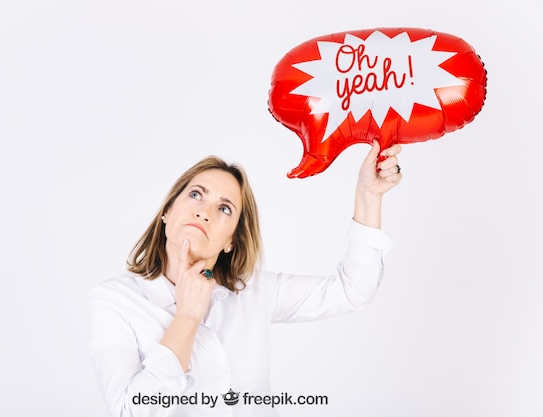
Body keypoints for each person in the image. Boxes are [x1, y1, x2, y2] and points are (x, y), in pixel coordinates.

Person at [88, 140, 402, 417]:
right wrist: (186, 316)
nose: (205, 211)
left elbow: (352, 290)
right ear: (167, 211)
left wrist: (369, 195)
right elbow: (132, 411)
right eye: (196, 194)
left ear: (231, 241)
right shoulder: (114, 300)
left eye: (224, 208)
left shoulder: (254, 291)